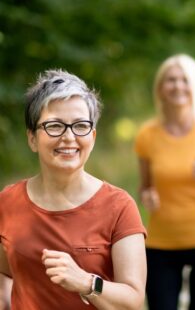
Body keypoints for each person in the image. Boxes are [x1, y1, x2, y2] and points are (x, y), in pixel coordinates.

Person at [0, 70, 147, 310]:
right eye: (55, 126)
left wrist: (85, 281)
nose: (69, 137)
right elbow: (4, 273)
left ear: (93, 136)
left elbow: (132, 300)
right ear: (32, 138)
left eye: (80, 126)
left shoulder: (119, 206)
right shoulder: (7, 203)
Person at [134, 54, 195, 310]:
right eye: (170, 80)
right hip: (161, 243)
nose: (177, 86)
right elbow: (145, 188)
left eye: (184, 79)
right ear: (160, 88)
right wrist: (147, 195)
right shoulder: (147, 135)